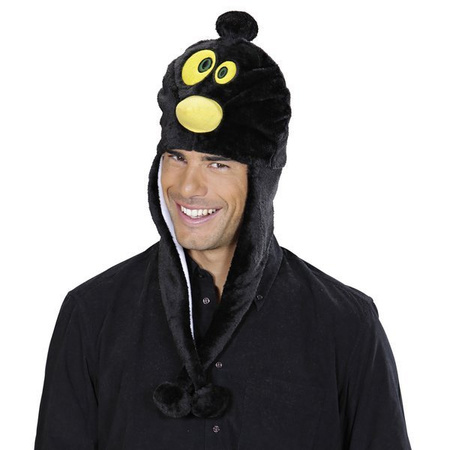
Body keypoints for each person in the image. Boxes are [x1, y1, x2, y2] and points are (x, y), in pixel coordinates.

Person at [34, 10, 412, 450]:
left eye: (217, 164)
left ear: (260, 179)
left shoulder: (345, 325)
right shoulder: (92, 315)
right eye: (177, 158)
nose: (188, 187)